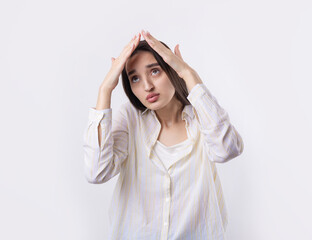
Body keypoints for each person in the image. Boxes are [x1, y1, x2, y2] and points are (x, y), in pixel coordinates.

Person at [83, 30, 244, 240]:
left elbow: (227, 150)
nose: (147, 86)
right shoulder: (130, 119)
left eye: (155, 71)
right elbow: (96, 172)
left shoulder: (201, 117)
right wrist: (105, 89)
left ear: (172, 69)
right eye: (135, 78)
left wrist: (188, 74)